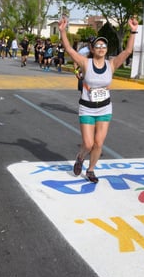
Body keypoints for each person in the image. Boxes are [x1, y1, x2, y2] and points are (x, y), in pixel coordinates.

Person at [58, 15, 138, 183]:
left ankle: (91, 170)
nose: (101, 48)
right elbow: (69, 50)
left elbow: (128, 51)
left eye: (104, 46)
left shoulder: (112, 64)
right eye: (98, 46)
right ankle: (80, 157)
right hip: (87, 108)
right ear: (93, 49)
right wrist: (62, 31)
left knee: (99, 143)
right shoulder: (86, 63)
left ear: (106, 49)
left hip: (104, 108)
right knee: (88, 144)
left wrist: (133, 31)